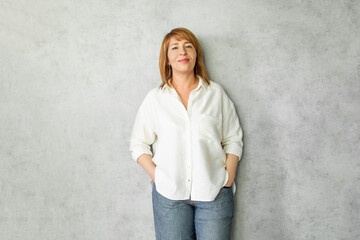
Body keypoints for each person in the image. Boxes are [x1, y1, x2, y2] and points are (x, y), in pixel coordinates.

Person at [129, 27, 243, 240]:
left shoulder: (215, 94)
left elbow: (233, 138)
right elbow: (138, 144)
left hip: (214, 193)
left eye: (188, 46)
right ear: (167, 60)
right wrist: (158, 177)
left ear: (196, 55)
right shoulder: (155, 99)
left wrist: (228, 176)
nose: (183, 51)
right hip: (169, 198)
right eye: (175, 47)